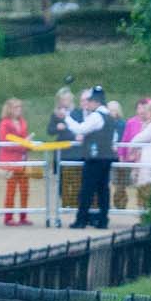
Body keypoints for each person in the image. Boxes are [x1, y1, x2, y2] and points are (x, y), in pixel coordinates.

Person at [65, 86, 117, 229]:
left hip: (95, 158)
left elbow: (80, 129)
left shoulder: (96, 116)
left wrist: (66, 118)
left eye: (90, 100)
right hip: (106, 157)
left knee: (87, 190)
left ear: (96, 102)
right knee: (103, 190)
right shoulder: (109, 117)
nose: (88, 103)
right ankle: (103, 219)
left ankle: (81, 220)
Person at [0, 98, 32, 225]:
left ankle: (23, 216)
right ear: (9, 109)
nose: (19, 110)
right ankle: (8, 217)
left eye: (20, 107)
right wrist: (22, 144)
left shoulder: (23, 122)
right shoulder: (4, 124)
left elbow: (24, 139)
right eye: (16, 107)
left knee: (25, 190)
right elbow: (5, 143)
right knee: (11, 190)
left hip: (23, 160)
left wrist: (28, 144)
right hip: (9, 161)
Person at [112, 100, 139, 212]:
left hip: (124, 157)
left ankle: (128, 204)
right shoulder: (106, 122)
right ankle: (119, 204)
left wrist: (121, 152)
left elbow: (125, 138)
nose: (110, 112)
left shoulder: (123, 124)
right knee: (118, 183)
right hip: (113, 156)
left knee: (124, 182)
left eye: (112, 110)